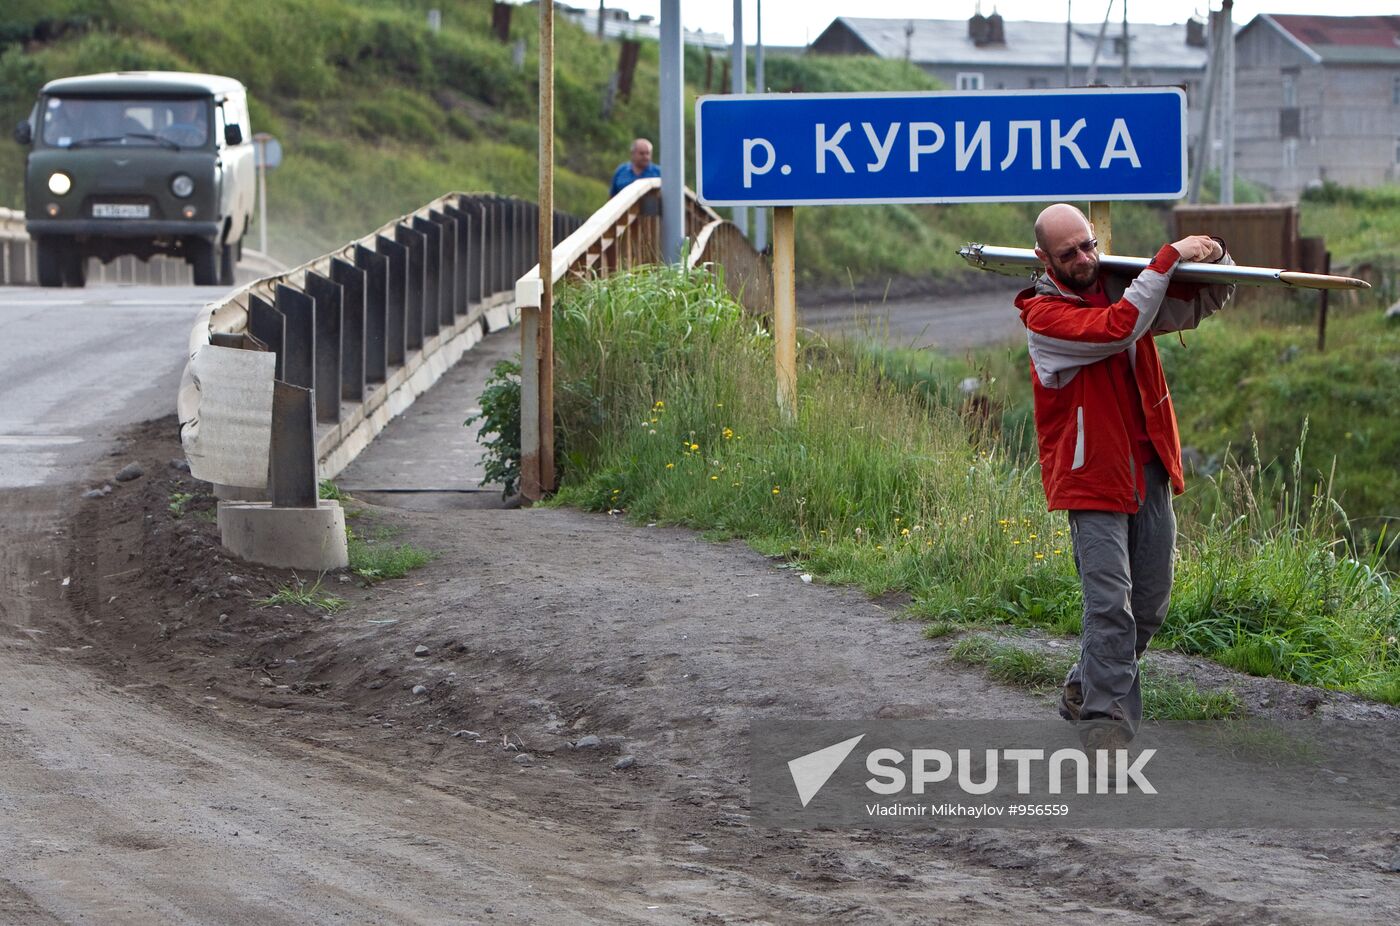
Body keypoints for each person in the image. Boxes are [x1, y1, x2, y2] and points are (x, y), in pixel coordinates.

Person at [1015, 203, 1235, 754]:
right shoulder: (1045, 319)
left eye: (1088, 245)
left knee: (1151, 605)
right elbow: (1119, 329)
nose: (1085, 258)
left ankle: (1085, 686)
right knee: (1110, 605)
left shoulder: (1120, 289)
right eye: (1069, 253)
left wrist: (1216, 255)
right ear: (1044, 259)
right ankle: (1105, 725)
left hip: (1148, 467)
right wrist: (1169, 256)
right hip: (1091, 478)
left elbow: (1198, 302)